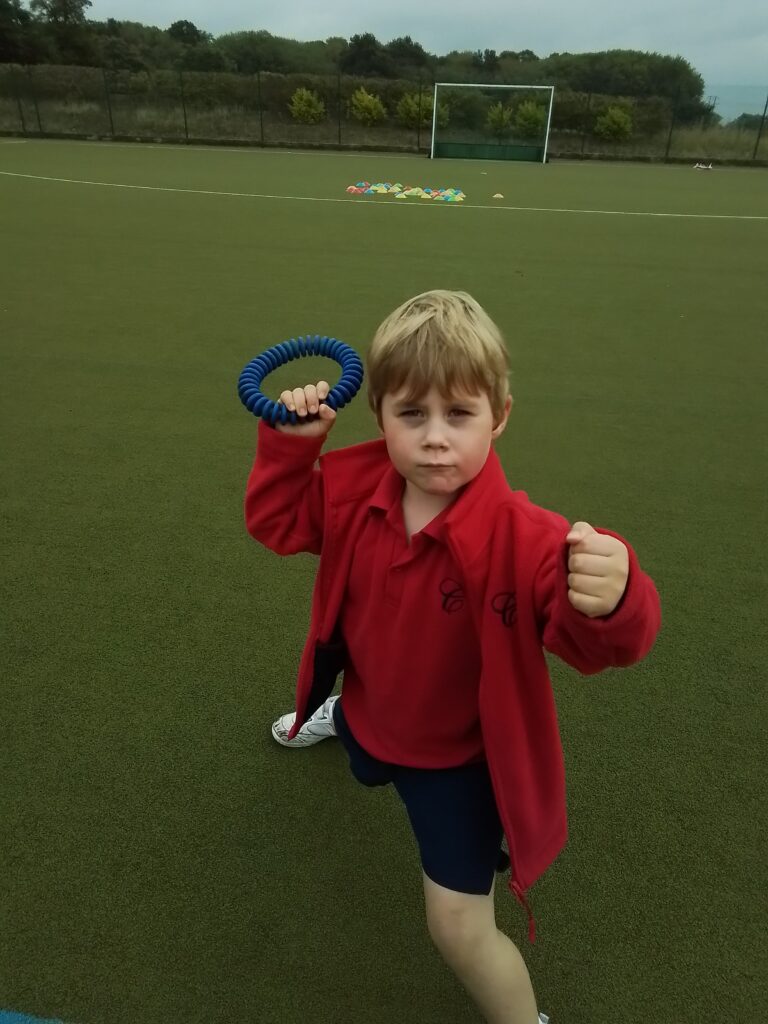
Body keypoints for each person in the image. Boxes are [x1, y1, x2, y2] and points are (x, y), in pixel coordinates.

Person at [245, 290, 661, 1024]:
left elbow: (599, 645)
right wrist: (291, 444)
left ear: (498, 417)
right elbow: (276, 524)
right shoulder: (351, 490)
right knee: (365, 745)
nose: (435, 438)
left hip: (459, 764)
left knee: (458, 926)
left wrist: (617, 594)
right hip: (375, 714)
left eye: (459, 415)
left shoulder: (529, 538)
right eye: (412, 415)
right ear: (379, 415)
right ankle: (343, 716)